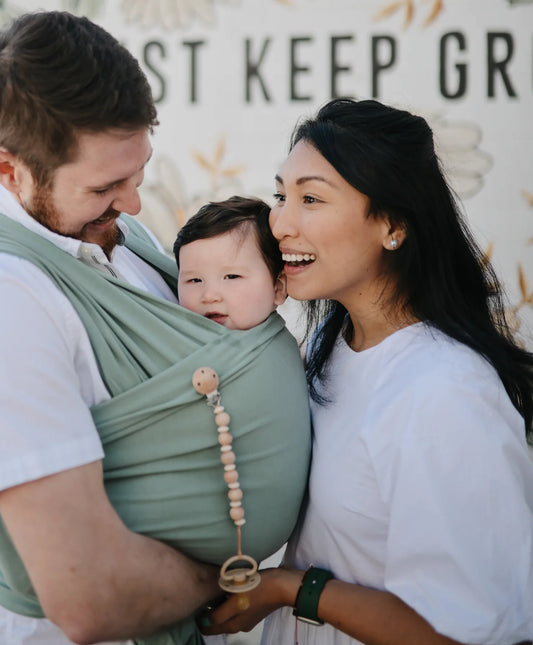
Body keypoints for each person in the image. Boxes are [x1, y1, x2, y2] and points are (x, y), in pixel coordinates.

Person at [0, 11, 311, 645]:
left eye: (139, 171)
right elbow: (89, 596)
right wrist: (232, 578)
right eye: (106, 185)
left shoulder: (116, 234)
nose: (133, 204)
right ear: (6, 170)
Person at [203, 98, 533, 644]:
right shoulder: (323, 350)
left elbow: (466, 632)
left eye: (311, 198)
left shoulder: (446, 392)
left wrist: (291, 589)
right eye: (282, 195)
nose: (279, 223)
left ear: (392, 225)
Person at [173, 196, 287, 330]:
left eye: (232, 276)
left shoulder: (278, 350)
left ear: (278, 288)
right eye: (195, 280)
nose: (209, 296)